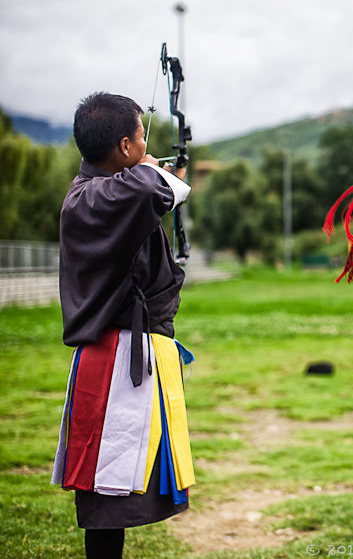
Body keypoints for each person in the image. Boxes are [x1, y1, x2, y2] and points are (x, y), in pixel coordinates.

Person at [51, 92, 195, 558]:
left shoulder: (107, 191)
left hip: (123, 353)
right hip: (111, 358)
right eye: (140, 135)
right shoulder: (93, 196)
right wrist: (157, 173)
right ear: (125, 147)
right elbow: (148, 189)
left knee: (116, 485)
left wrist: (157, 175)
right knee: (107, 490)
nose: (144, 142)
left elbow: (148, 193)